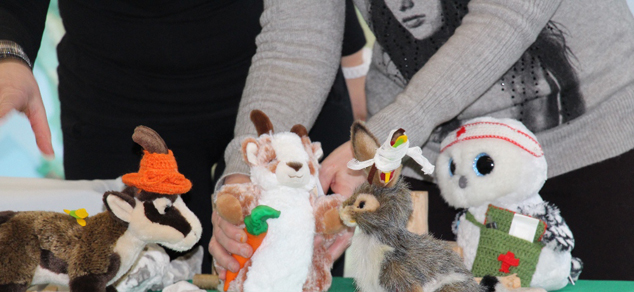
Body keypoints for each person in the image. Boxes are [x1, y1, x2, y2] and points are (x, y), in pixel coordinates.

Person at [212, 0, 634, 282]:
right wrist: (247, 176)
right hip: (431, 168)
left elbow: (509, 13)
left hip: (593, 148)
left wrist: (384, 141)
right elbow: (295, 43)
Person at [0, 0, 366, 273]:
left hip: (282, 85)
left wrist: (355, 72)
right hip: (118, 104)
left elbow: (307, 23)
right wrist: (8, 51)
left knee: (286, 286)